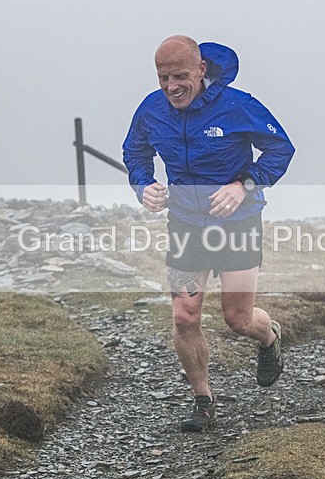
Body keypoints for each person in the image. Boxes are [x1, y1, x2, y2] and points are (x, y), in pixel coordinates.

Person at [123, 36, 295, 431]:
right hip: (186, 223)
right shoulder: (151, 110)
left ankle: (269, 337)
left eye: (180, 76)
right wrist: (143, 185)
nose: (171, 87)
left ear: (201, 70)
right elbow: (135, 152)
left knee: (238, 319)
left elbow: (280, 149)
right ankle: (203, 401)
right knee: (185, 316)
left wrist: (243, 186)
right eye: (163, 78)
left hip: (238, 222)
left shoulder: (237, 105)